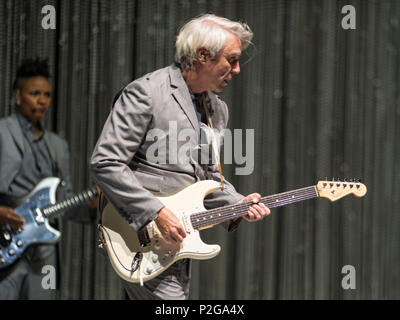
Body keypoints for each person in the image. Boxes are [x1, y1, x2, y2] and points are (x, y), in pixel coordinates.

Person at [90, 14, 270, 300]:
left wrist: (238, 203)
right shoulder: (146, 93)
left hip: (177, 242)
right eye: (231, 60)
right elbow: (106, 162)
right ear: (202, 55)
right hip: (142, 236)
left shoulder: (217, 110)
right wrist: (157, 213)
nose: (236, 70)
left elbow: (208, 178)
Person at [0, 58, 98, 299]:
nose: (42, 100)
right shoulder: (2, 132)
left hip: (43, 249)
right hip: (5, 240)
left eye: (47, 95)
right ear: (16, 96)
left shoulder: (57, 146)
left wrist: (93, 206)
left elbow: (63, 203)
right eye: (34, 93)